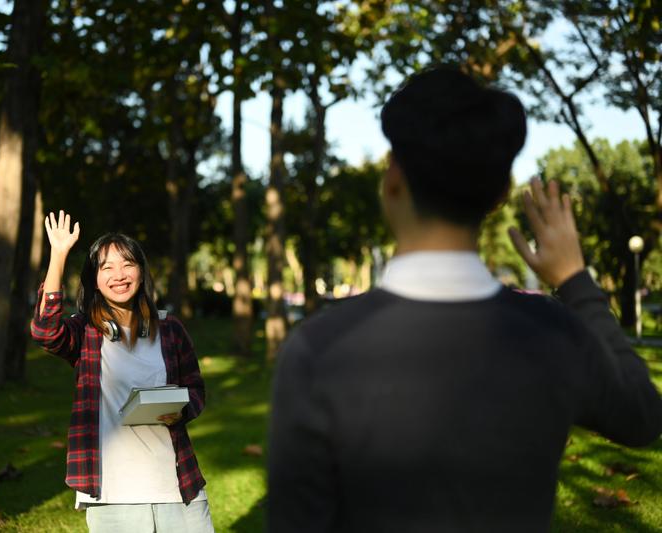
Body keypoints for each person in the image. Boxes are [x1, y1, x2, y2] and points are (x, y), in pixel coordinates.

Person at [267, 68, 662, 532]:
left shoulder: (319, 350)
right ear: (499, 195)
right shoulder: (555, 335)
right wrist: (576, 280)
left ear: (392, 180)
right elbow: (643, 416)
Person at [31, 211, 214, 533]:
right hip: (113, 490)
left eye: (128, 264)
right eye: (107, 267)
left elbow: (195, 388)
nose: (119, 274)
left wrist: (182, 410)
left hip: (177, 484)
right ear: (95, 280)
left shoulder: (169, 329)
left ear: (141, 272)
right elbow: (46, 332)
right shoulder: (86, 330)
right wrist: (58, 254)